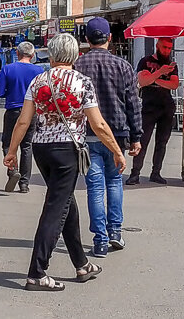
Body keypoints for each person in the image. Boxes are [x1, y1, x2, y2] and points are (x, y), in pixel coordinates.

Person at [4, 32, 122, 292]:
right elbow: (98, 123)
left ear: (52, 54)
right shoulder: (82, 82)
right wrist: (116, 150)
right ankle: (37, 271)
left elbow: (23, 121)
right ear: (75, 55)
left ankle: (81, 264)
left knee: (65, 201)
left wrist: (12, 150)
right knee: (55, 209)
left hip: (41, 149)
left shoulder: (38, 81)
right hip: (67, 151)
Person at [74, 17, 141, 258]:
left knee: (94, 187)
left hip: (89, 133)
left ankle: (99, 240)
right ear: (110, 38)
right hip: (118, 134)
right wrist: (136, 136)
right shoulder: (123, 66)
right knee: (114, 183)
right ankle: (115, 232)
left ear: (86, 39)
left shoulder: (78, 66)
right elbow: (133, 104)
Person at [129, 37, 180, 185]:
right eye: (164, 47)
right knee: (142, 141)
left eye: (169, 48)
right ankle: (135, 173)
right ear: (157, 45)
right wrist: (160, 72)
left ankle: (156, 172)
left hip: (166, 106)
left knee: (162, 142)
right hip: (149, 106)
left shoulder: (171, 65)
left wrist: (154, 79)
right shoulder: (145, 61)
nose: (167, 51)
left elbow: (174, 84)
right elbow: (142, 81)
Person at [0, 42, 44, 193]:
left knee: (8, 143)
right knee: (27, 146)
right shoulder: (39, 70)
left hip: (13, 110)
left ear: (17, 53)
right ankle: (24, 183)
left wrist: (9, 91)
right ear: (33, 55)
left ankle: (12, 169)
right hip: (32, 111)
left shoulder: (8, 69)